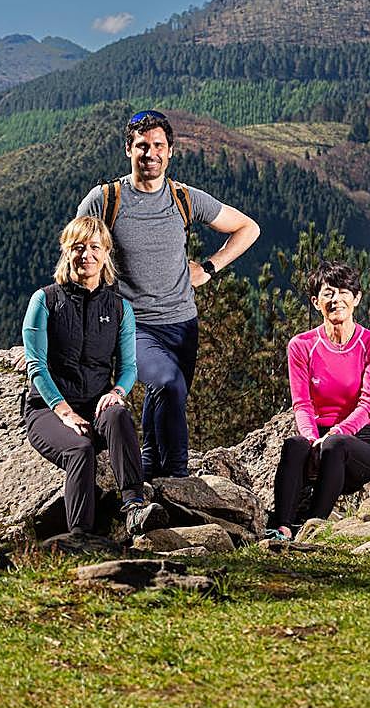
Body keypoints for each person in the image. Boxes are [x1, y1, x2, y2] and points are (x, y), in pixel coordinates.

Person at [77, 110, 260, 480]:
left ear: (171, 151)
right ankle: (178, 477)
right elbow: (75, 256)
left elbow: (247, 228)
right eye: (142, 146)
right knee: (166, 382)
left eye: (158, 146)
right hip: (133, 325)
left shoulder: (183, 198)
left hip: (182, 324)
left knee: (168, 395)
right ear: (128, 149)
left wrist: (208, 269)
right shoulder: (105, 200)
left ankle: (148, 471)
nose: (150, 154)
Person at [22, 216, 168, 537]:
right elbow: (36, 366)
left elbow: (128, 368)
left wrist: (117, 391)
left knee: (117, 415)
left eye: (94, 248)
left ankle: (133, 507)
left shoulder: (119, 308)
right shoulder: (45, 301)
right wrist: (65, 412)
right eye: (78, 248)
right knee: (80, 448)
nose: (86, 255)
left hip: (96, 404)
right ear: (66, 252)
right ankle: (81, 536)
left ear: (105, 254)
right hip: (47, 410)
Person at [268, 261, 370, 540]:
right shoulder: (301, 346)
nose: (336, 299)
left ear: (356, 298)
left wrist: (334, 434)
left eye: (344, 291)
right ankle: (282, 527)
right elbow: (302, 404)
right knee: (294, 445)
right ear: (315, 302)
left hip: (356, 442)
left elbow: (368, 404)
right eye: (328, 293)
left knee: (334, 445)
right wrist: (312, 440)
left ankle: (313, 527)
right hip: (316, 435)